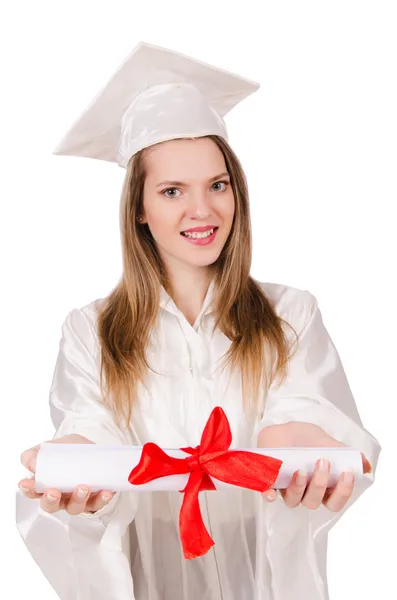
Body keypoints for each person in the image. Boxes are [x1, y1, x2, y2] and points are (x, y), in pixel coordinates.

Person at [16, 41, 380, 600]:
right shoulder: (91, 329)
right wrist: (82, 466)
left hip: (260, 574)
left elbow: (304, 408)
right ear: (139, 208)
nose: (203, 211)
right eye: (171, 191)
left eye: (218, 184)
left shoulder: (289, 314)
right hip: (149, 578)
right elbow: (92, 425)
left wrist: (302, 445)